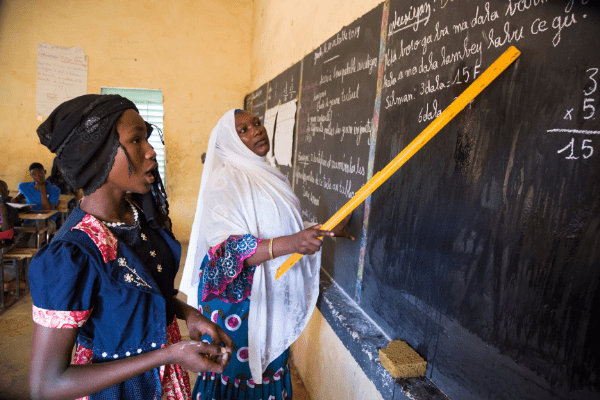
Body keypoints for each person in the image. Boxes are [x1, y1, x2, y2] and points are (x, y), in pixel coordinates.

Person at [28, 94, 234, 400]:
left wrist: (187, 312)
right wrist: (169, 355)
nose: (151, 151)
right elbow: (46, 385)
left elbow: (136, 292)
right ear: (97, 153)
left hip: (163, 383)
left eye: (147, 138)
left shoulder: (138, 218)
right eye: (136, 140)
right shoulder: (73, 254)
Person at [180, 109, 353, 399]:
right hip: (238, 302)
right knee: (238, 373)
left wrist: (319, 230)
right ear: (228, 142)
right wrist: (294, 243)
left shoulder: (268, 175)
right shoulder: (225, 181)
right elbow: (228, 251)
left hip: (270, 296)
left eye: (257, 123)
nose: (256, 130)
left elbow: (277, 228)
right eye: (243, 130)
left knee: (270, 366)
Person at [13, 162, 61, 246]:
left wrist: (42, 189)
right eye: (34, 174)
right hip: (30, 221)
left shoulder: (55, 190)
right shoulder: (25, 186)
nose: (38, 176)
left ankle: (33, 259)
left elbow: (47, 210)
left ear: (45, 172)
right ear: (31, 176)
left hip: (48, 221)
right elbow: (19, 195)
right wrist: (16, 199)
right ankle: (24, 259)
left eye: (40, 173)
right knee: (19, 242)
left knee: (35, 240)